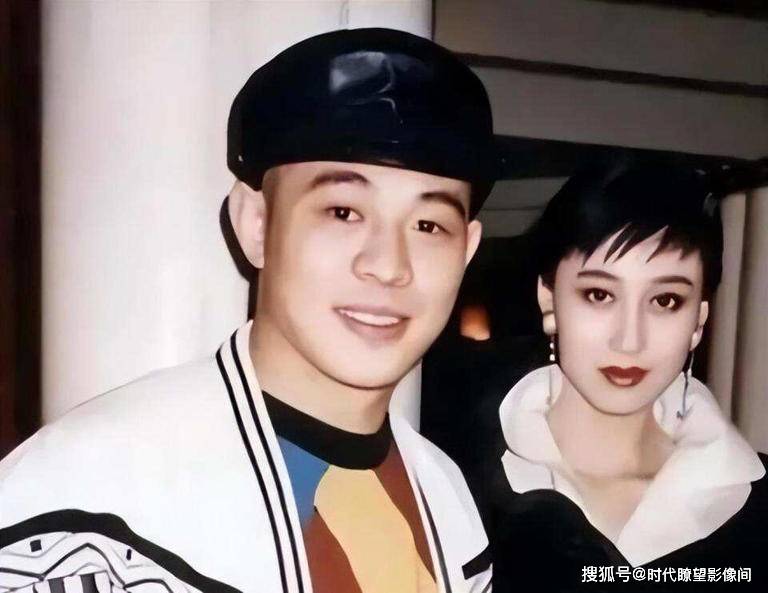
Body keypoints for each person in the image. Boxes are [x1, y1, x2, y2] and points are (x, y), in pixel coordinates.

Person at [0, 28, 497, 593]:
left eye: (429, 225)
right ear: (256, 224)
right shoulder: (91, 502)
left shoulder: (447, 499)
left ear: (467, 250)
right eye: (342, 212)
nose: (388, 265)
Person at [490, 163, 768, 592]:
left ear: (698, 321)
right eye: (599, 294)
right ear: (549, 300)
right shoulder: (457, 482)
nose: (629, 340)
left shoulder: (757, 506)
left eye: (666, 300)